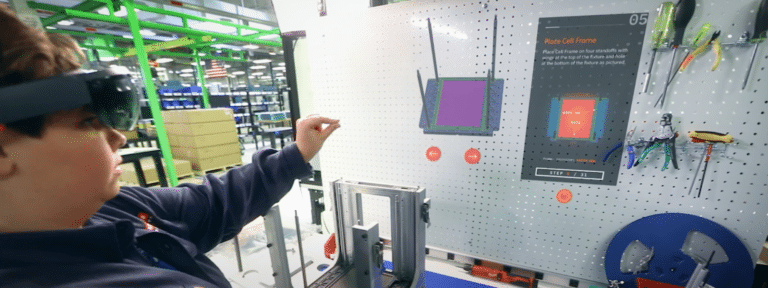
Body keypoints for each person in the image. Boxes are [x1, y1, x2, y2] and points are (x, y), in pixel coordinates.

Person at [0, 5, 340, 287]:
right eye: (88, 122)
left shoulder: (111, 208)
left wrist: (297, 153)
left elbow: (211, 203)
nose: (117, 137)